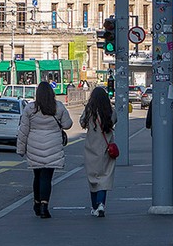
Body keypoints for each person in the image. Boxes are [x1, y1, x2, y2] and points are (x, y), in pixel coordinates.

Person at [15, 80, 72, 219]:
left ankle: (36, 203)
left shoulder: (30, 108)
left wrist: (21, 149)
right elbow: (67, 124)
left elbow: (23, 130)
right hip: (53, 145)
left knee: (37, 176)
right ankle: (44, 207)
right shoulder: (58, 107)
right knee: (47, 177)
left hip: (34, 145)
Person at [79, 86, 117, 217]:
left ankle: (95, 206)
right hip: (107, 150)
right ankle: (101, 204)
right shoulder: (110, 111)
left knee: (93, 178)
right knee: (104, 177)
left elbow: (82, 123)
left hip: (91, 149)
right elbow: (114, 121)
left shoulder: (89, 111)